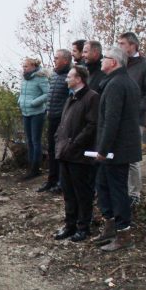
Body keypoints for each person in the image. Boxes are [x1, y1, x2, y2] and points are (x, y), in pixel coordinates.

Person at [93, 46, 143, 252]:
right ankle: (111, 226)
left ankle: (124, 234)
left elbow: (111, 120)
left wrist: (103, 150)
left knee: (117, 190)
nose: (102, 61)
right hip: (120, 147)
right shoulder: (124, 82)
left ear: (113, 62)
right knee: (103, 185)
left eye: (104, 58)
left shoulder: (116, 84)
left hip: (116, 150)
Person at [53, 65, 100, 241]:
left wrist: (75, 143)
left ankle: (83, 227)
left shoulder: (92, 97)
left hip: (80, 155)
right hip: (65, 152)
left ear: (79, 79)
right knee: (68, 192)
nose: (66, 79)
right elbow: (63, 123)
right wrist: (59, 139)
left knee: (82, 193)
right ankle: (70, 226)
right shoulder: (70, 98)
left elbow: (92, 125)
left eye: (69, 77)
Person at [118, 31, 146, 206]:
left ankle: (134, 194)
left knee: (132, 158)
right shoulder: (120, 65)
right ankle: (120, 191)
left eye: (122, 44)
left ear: (132, 45)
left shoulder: (145, 66)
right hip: (117, 117)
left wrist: (135, 110)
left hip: (135, 119)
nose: (119, 47)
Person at [38, 49, 71, 193]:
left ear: (65, 60)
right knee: (51, 150)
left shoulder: (70, 76)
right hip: (51, 117)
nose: (54, 60)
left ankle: (61, 182)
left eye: (57, 58)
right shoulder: (55, 76)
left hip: (61, 120)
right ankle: (51, 180)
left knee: (61, 152)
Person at [18, 57, 49, 180]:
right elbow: (22, 93)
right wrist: (20, 101)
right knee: (29, 140)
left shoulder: (41, 77)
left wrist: (34, 102)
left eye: (26, 66)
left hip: (37, 113)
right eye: (23, 66)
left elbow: (47, 93)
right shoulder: (24, 78)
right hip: (26, 112)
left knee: (36, 141)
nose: (23, 68)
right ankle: (30, 166)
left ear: (33, 66)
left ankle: (35, 168)